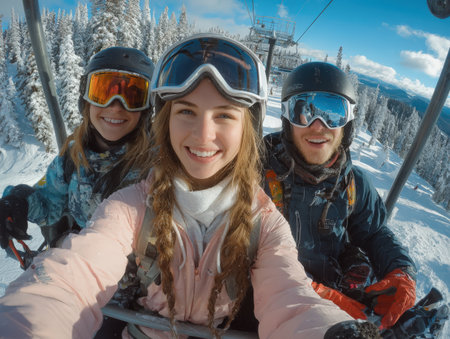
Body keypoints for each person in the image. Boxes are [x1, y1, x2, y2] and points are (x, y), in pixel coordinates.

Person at [0, 34, 380, 339]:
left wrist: (332, 330)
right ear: (164, 121)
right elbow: (73, 274)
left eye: (225, 115)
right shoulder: (130, 205)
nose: (203, 134)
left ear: (248, 130)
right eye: (186, 111)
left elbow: (289, 299)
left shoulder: (264, 223)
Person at [263, 61, 417, 331]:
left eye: (333, 113)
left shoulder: (353, 183)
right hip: (269, 309)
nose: (318, 126)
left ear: (348, 123)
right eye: (304, 111)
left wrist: (399, 270)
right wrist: (312, 295)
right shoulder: (257, 175)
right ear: (286, 118)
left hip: (337, 301)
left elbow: (374, 232)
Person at [0, 47, 155, 262]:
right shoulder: (74, 156)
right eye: (102, 93)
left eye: (133, 96)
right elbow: (48, 204)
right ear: (86, 100)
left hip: (143, 286)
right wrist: (20, 201)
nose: (116, 107)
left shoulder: (158, 162)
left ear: (147, 108)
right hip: (82, 271)